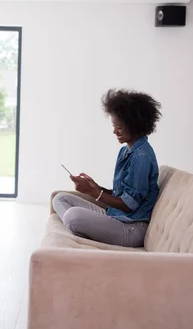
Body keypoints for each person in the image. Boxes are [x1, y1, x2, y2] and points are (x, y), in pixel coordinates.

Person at [52, 89, 161, 247]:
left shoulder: (141, 157)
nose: (114, 131)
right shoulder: (126, 151)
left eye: (119, 128)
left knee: (72, 216)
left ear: (135, 126)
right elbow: (122, 195)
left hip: (131, 227)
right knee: (60, 199)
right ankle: (85, 231)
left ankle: (81, 231)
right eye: (114, 126)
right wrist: (96, 187)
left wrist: (93, 192)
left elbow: (129, 205)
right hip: (116, 217)